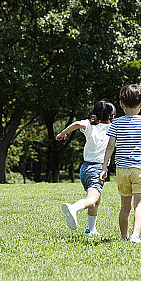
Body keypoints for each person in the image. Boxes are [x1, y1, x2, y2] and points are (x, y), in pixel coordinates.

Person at [99, 84, 141, 243]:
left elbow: (110, 146)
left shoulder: (116, 123)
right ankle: (135, 235)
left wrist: (104, 168)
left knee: (125, 206)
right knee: (140, 204)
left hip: (122, 170)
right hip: (140, 169)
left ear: (121, 104)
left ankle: (124, 237)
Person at [56, 100, 116, 237]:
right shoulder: (113, 128)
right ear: (112, 116)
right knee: (92, 200)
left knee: (96, 199)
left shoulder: (89, 125)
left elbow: (77, 124)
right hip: (98, 169)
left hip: (85, 168)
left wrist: (62, 134)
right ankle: (73, 207)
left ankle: (91, 230)